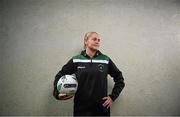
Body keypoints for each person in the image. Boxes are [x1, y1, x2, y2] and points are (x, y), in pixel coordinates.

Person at [53, 32, 125, 116]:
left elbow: (119, 78)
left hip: (101, 110)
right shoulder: (76, 60)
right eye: (94, 39)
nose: (97, 42)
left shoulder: (105, 60)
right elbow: (59, 76)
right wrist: (57, 94)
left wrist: (112, 97)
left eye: (99, 40)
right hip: (81, 110)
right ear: (86, 41)